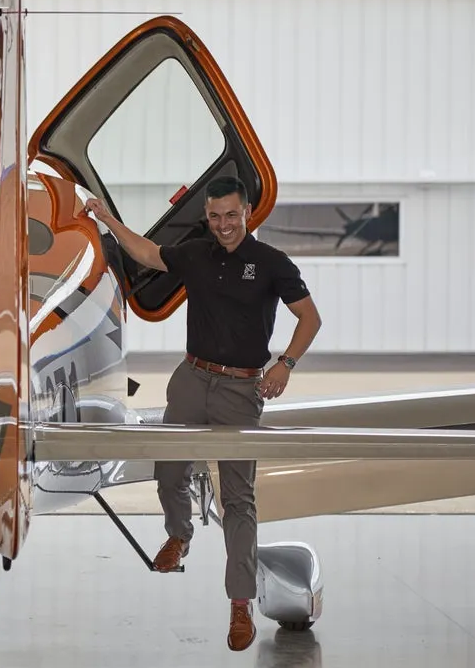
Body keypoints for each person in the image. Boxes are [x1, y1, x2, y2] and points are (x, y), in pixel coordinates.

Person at [83, 175, 321, 652]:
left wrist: (285, 365)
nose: (224, 225)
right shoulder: (195, 252)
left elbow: (309, 318)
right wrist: (106, 220)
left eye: (231, 215)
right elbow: (148, 254)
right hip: (192, 379)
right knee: (169, 471)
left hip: (240, 388)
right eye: (215, 217)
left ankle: (240, 604)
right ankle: (180, 535)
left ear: (247, 212)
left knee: (238, 498)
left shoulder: (272, 264)